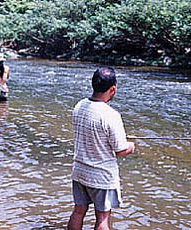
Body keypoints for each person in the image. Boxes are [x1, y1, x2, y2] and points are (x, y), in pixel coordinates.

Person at [68, 67, 135, 230]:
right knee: (103, 218)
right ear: (113, 89)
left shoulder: (79, 105)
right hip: (101, 176)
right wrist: (131, 146)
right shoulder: (111, 115)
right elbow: (121, 150)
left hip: (79, 171)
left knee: (78, 212)